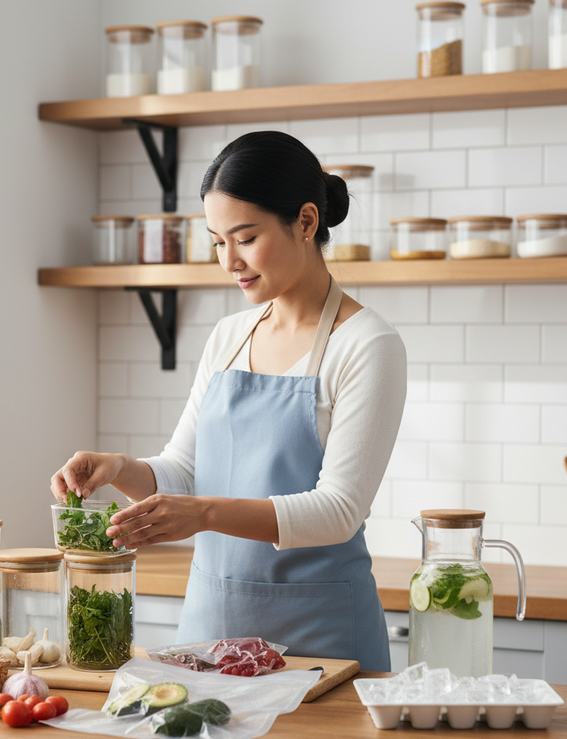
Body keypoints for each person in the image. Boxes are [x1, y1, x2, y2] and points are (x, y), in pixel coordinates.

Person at [51, 131, 407, 671]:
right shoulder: (228, 336)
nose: (229, 261)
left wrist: (203, 514)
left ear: (307, 222)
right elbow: (187, 472)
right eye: (218, 241)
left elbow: (338, 511)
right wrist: (120, 468)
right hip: (208, 639)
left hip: (323, 650)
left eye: (245, 237)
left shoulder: (365, 344)